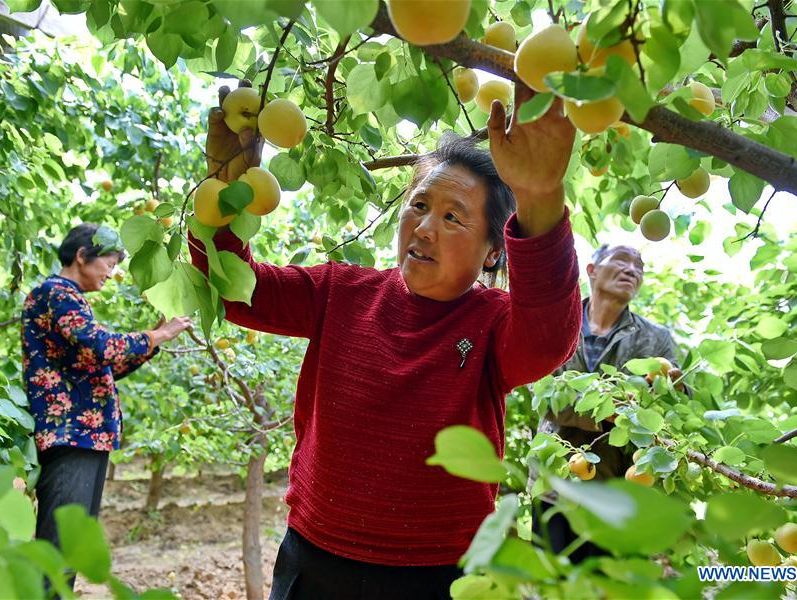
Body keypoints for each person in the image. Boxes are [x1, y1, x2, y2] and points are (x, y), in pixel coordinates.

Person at [190, 80, 582, 599]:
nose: (424, 228)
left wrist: (539, 198)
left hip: (438, 572)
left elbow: (548, 337)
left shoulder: (491, 322)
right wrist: (220, 194)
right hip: (316, 557)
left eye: (452, 217)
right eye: (419, 205)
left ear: (492, 252)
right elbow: (238, 292)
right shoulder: (341, 291)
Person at [22, 223, 191, 588]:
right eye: (108, 263)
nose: (111, 273)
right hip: (71, 435)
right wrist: (156, 335)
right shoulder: (56, 292)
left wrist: (154, 341)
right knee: (59, 550)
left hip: (86, 436)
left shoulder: (68, 300)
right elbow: (98, 346)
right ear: (82, 256)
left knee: (68, 550)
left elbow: (104, 364)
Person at [531, 243, 682, 562]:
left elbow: (670, 406)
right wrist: (611, 412)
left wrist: (672, 387)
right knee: (552, 581)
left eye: (639, 266)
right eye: (622, 260)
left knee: (605, 584)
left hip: (619, 487)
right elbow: (545, 396)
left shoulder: (655, 338)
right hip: (555, 482)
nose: (633, 270)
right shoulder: (557, 325)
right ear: (592, 270)